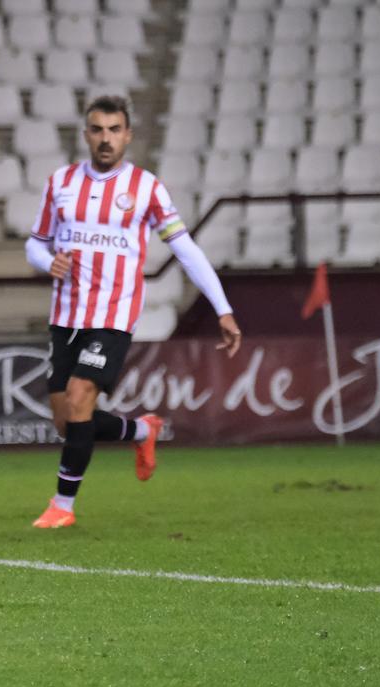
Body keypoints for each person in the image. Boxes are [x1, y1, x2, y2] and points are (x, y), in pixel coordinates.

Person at [25, 95, 242, 529]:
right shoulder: (61, 183)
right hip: (66, 316)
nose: (106, 139)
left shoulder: (146, 188)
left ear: (128, 135)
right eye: (98, 130)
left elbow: (186, 250)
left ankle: (61, 507)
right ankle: (141, 431)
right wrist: (47, 262)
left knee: (81, 395)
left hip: (113, 316)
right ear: (87, 134)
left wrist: (223, 307)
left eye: (114, 130)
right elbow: (36, 241)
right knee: (68, 422)